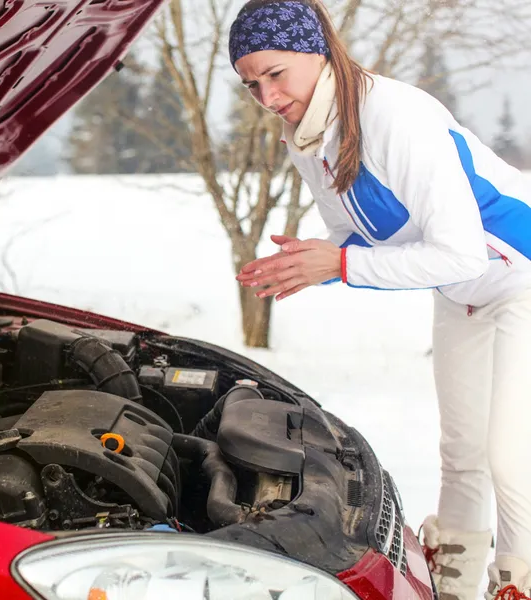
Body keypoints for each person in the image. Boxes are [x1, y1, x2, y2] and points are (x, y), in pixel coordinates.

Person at [228, 1, 531, 598]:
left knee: (508, 456)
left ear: (316, 53)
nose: (265, 96)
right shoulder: (307, 134)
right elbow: (358, 233)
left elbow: (462, 250)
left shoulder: (395, 115)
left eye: (275, 74)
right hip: (463, 292)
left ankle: (517, 582)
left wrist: (339, 264)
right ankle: (456, 586)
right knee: (460, 451)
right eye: (250, 84)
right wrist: (316, 261)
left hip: (521, 273)